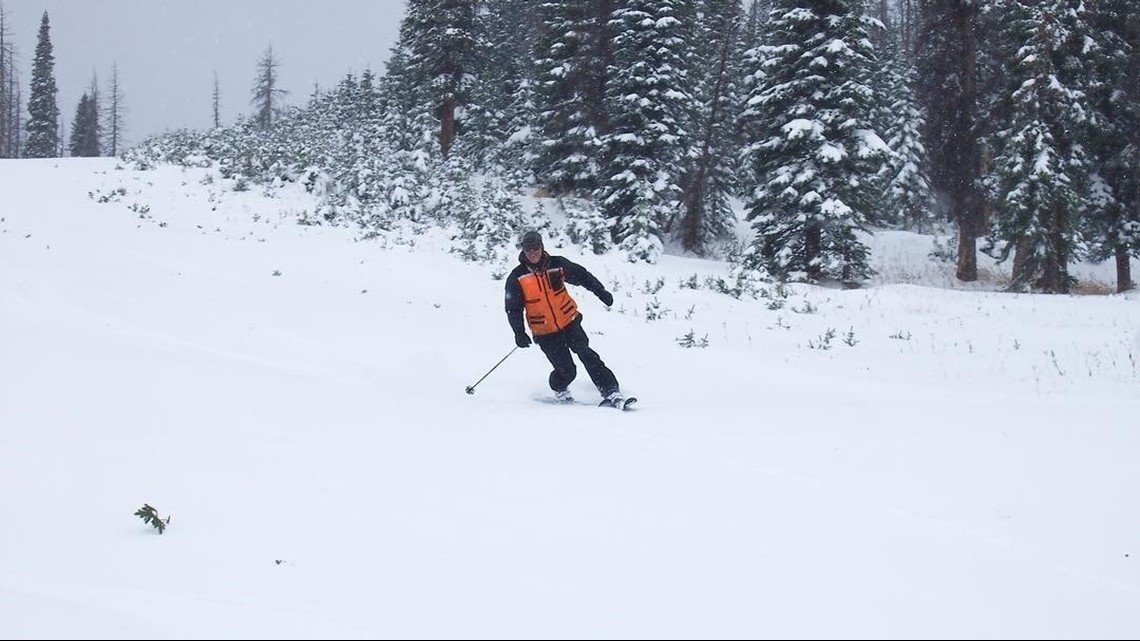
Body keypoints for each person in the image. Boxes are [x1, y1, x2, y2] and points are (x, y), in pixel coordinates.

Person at [504, 230, 623, 405]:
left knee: (587, 354)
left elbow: (582, 275)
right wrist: (519, 333)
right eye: (528, 249)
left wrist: (600, 291)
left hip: (570, 322)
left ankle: (611, 391)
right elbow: (513, 308)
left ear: (542, 247)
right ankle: (559, 387)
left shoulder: (557, 265)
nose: (533, 253)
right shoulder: (518, 277)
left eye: (535, 248)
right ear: (523, 251)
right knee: (567, 371)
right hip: (545, 332)